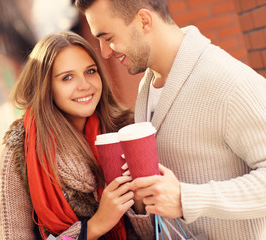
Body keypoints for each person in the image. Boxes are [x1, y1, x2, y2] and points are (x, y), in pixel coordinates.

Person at [74, 0, 266, 239]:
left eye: (108, 37)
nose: (105, 51)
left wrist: (185, 199)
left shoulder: (229, 81)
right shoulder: (149, 84)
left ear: (144, 21)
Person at [0, 31, 154, 240]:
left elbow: (160, 226)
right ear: (46, 87)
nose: (84, 85)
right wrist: (95, 225)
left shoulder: (124, 129)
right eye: (67, 77)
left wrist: (140, 201)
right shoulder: (21, 149)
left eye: (90, 71)